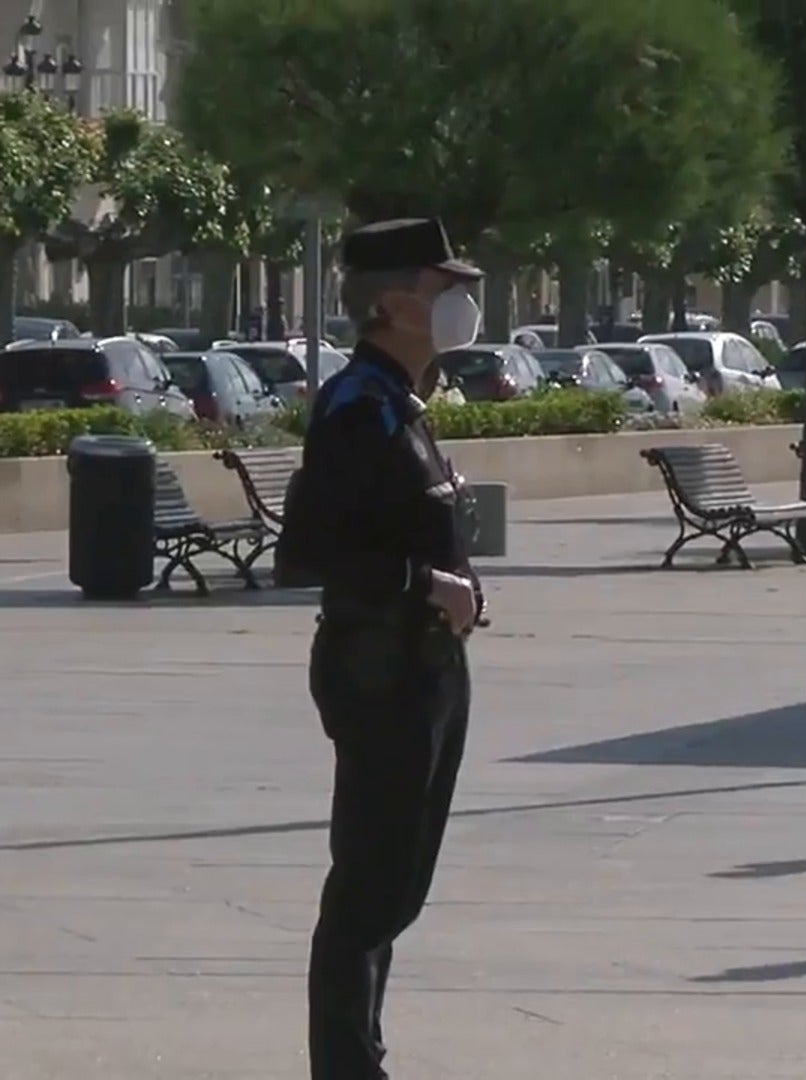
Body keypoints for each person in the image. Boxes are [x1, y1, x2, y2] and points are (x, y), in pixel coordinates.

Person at [279, 217, 487, 1080]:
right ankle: (347, 1065)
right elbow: (308, 552)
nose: (462, 302)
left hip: (425, 668)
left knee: (397, 888)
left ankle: (361, 1052)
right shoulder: (357, 408)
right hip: (380, 668)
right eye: (444, 288)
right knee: (368, 889)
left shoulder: (403, 401)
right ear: (395, 304)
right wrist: (422, 583)